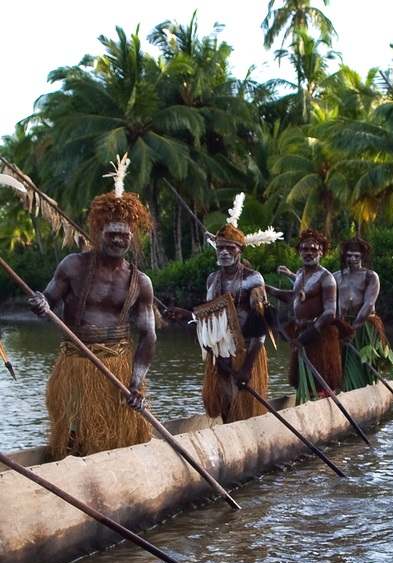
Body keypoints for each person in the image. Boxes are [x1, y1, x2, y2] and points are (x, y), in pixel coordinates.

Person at [27, 155, 156, 460]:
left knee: (115, 432)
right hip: (76, 362)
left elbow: (149, 335)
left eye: (123, 235)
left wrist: (136, 384)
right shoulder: (73, 265)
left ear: (131, 237)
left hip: (117, 366)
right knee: (74, 432)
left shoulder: (141, 282)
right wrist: (41, 304)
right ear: (99, 232)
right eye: (111, 233)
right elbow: (48, 301)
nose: (117, 240)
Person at [165, 193, 282, 423]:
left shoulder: (252, 279)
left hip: (246, 351)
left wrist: (247, 367)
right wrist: (187, 315)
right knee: (225, 408)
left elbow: (261, 326)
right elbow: (212, 317)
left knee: (245, 411)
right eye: (221, 248)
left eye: (230, 248)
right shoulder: (212, 279)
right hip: (219, 354)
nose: (225, 252)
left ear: (241, 250)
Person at [267, 229, 351, 400]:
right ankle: (304, 402)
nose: (309, 253)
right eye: (305, 249)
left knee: (322, 382)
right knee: (302, 380)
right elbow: (293, 297)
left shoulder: (327, 278)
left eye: (313, 249)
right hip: (301, 331)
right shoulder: (299, 274)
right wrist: (268, 289)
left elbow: (329, 313)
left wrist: (305, 337)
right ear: (299, 251)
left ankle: (324, 405)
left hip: (320, 335)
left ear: (321, 252)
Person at [332, 237, 393, 391]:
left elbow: (368, 304)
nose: (352, 259)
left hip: (364, 325)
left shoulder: (370, 276)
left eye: (356, 256)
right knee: (340, 360)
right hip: (342, 324)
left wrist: (353, 329)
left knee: (363, 363)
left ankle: (367, 388)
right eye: (349, 255)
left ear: (363, 257)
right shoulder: (336, 276)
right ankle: (342, 389)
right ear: (344, 256)